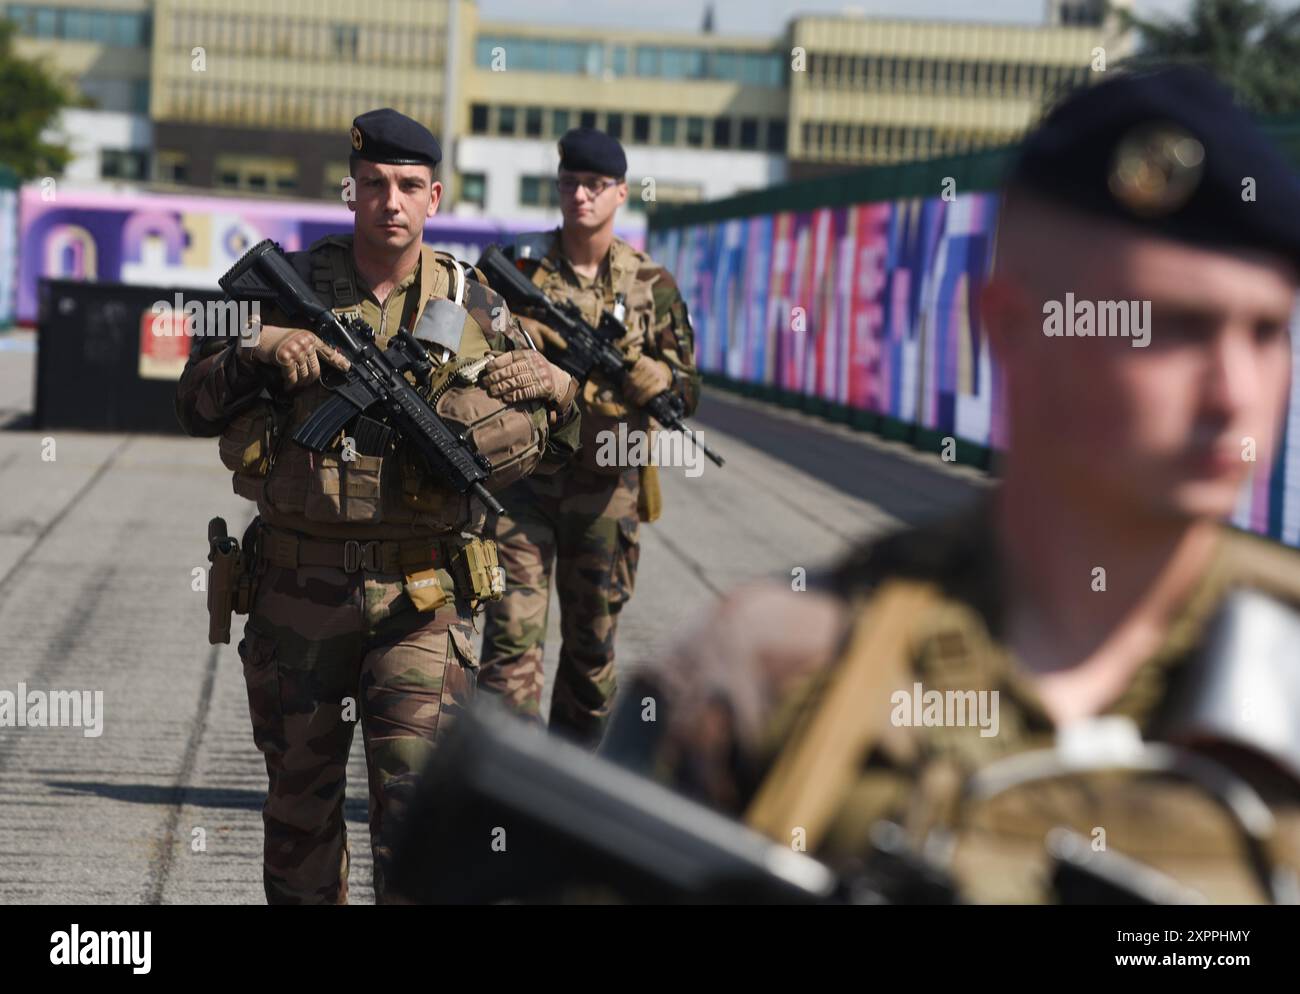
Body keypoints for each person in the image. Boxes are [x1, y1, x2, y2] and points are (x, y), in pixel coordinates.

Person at [622, 67, 1300, 903]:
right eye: (1171, 329)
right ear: (1012, 329)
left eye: (1268, 331)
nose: (1236, 391)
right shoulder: (780, 671)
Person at [175, 108, 580, 904]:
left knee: (419, 825)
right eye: (372, 185)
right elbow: (192, 403)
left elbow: (553, 447)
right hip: (297, 593)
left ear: (434, 196)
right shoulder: (286, 286)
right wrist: (260, 353)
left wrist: (564, 394)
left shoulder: (479, 307)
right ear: (350, 192)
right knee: (299, 818)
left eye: (406, 187)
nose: (389, 201)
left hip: (421, 599)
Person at [475, 127, 701, 747]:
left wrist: (664, 379)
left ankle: (572, 781)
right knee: (509, 645)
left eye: (595, 186)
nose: (581, 196)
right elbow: (460, 345)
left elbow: (687, 390)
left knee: (591, 650)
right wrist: (508, 326)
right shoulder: (517, 265)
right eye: (570, 183)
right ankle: (508, 786)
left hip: (607, 490)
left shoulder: (651, 284)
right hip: (523, 480)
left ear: (621, 193)